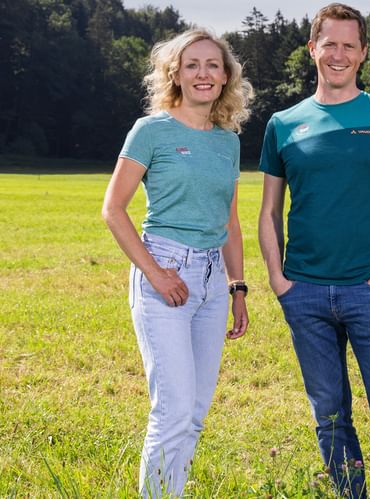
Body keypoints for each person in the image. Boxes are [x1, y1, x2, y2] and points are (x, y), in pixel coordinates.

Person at [258, 3, 370, 498]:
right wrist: (279, 279)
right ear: (312, 48)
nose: (338, 54)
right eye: (328, 43)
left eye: (348, 45)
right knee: (330, 418)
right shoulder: (283, 124)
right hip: (305, 294)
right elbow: (270, 212)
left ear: (362, 54)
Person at [102, 29, 253, 498]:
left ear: (226, 76)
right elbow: (113, 208)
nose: (203, 73)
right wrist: (155, 272)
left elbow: (229, 221)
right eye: (192, 65)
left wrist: (238, 287)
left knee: (194, 413)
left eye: (213, 65)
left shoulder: (228, 142)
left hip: (211, 284)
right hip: (166, 269)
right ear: (175, 74)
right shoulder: (152, 131)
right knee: (172, 409)